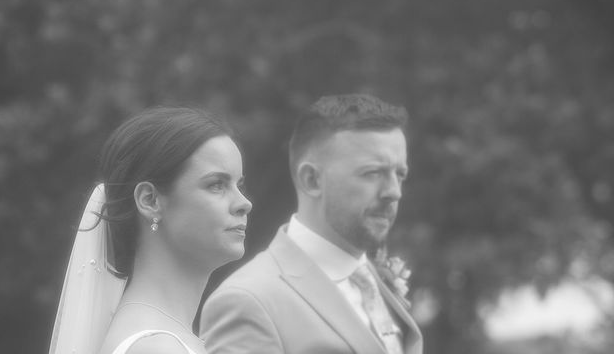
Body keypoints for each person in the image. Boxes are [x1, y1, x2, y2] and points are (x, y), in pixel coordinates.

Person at [200, 94, 423, 354]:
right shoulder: (248, 301)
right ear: (311, 180)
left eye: (400, 174)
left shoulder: (376, 283)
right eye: (373, 173)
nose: (394, 192)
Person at [48, 106, 253, 354]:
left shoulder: (164, 340)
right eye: (216, 185)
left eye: (239, 185)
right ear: (150, 200)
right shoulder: (155, 348)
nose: (244, 203)